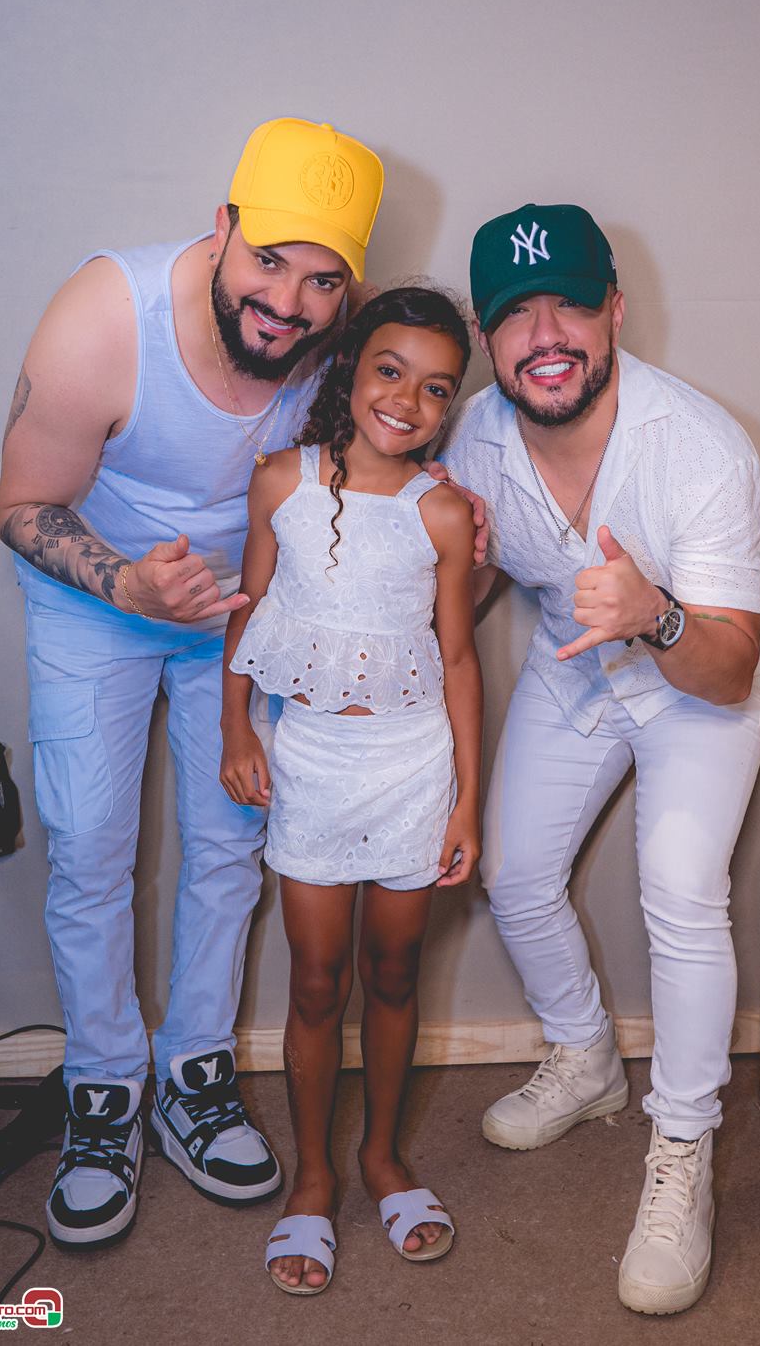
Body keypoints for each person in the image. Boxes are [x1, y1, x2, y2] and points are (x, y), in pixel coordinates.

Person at [0, 117, 385, 1246]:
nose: (288, 303)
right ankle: (103, 1084)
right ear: (221, 228)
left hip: (242, 615)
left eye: (322, 281)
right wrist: (128, 585)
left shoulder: (339, 339)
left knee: (231, 840)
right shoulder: (103, 317)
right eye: (269, 260)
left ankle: (194, 1073)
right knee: (90, 842)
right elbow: (20, 505)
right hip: (98, 597)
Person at [439, 202, 760, 1315]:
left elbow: (727, 668)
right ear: (486, 338)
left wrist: (655, 614)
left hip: (700, 663)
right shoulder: (474, 438)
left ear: (614, 313)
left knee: (679, 891)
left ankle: (681, 1150)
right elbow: (472, 581)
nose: (545, 335)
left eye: (570, 305)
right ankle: (586, 1056)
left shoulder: (699, 447)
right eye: (515, 314)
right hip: (578, 659)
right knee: (512, 871)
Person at [220, 287, 483, 1295]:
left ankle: (381, 1156)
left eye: (436, 388)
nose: (407, 401)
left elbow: (457, 659)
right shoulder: (278, 480)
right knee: (316, 980)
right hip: (313, 764)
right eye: (389, 371)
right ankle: (314, 1175)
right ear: (349, 369)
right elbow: (246, 611)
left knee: (394, 969)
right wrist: (235, 728)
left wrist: (466, 800)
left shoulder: (442, 511)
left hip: (413, 766)